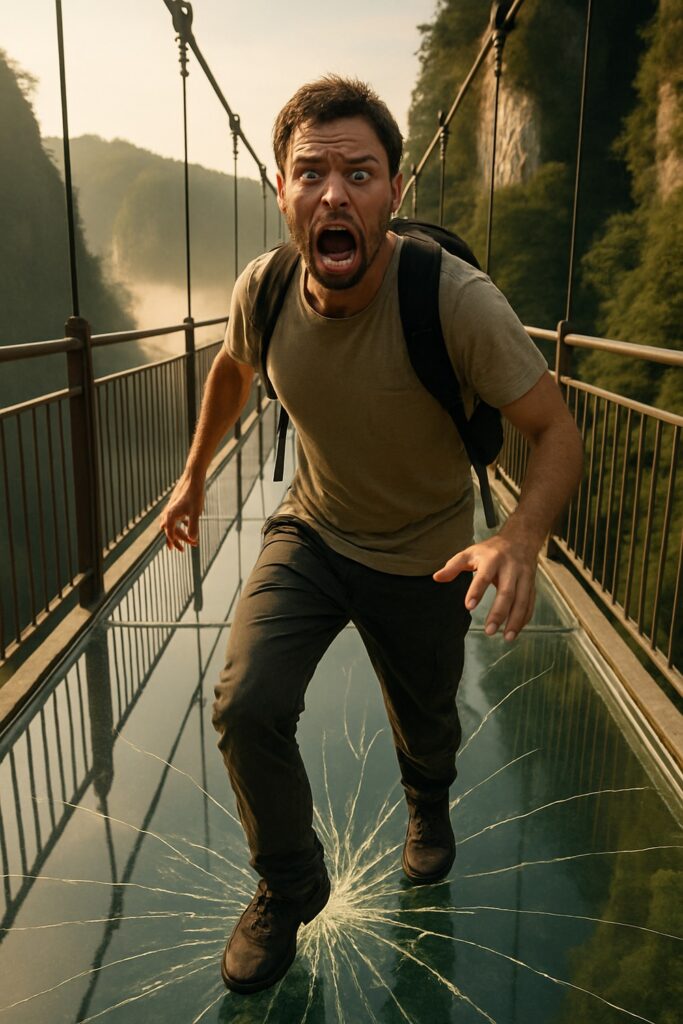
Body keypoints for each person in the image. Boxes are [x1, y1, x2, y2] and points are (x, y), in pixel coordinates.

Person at [160, 76, 583, 995]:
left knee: (427, 729)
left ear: (394, 192)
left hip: (426, 552)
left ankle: (428, 807)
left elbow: (555, 431)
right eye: (309, 172)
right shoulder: (265, 289)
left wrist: (516, 536)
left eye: (359, 172)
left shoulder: (456, 302)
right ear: (280, 192)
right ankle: (287, 882)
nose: (333, 194)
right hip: (311, 532)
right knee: (245, 704)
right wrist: (192, 476)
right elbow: (232, 371)